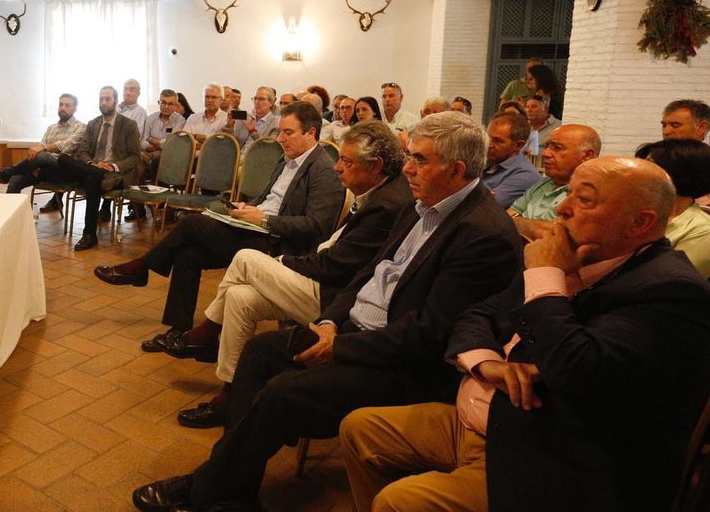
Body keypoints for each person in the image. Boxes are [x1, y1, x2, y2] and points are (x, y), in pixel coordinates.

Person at [130, 112, 522, 511]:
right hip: (353, 331)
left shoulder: (481, 234)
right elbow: (368, 273)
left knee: (281, 393)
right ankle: (234, 487)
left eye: (419, 160)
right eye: (409, 157)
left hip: (400, 365)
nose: (407, 169)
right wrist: (331, 321)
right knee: (260, 352)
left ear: (456, 170)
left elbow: (428, 334)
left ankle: (207, 489)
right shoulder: (422, 204)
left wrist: (339, 348)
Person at [339, 157, 710, 512]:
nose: (562, 208)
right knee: (361, 427)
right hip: (487, 417)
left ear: (640, 223)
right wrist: (487, 365)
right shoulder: (575, 252)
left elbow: (574, 367)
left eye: (584, 200)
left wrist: (546, 274)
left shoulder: (670, 292)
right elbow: (478, 314)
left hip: (554, 454)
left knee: (401, 500)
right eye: (568, 194)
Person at [169, 122, 413, 429]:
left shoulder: (387, 204)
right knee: (239, 296)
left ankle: (205, 332)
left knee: (245, 257)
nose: (338, 167)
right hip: (323, 277)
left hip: (332, 297)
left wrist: (284, 260)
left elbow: (335, 267)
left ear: (376, 166)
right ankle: (229, 394)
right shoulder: (376, 191)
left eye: (347, 162)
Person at [95, 102, 345, 346]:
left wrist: (265, 219)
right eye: (280, 131)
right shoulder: (286, 160)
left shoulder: (323, 169)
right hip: (255, 228)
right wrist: (248, 207)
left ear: (311, 133)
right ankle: (178, 330)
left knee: (190, 224)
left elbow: (316, 226)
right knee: (187, 254)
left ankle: (141, 268)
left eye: (288, 132)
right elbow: (267, 198)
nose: (281, 138)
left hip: (278, 244)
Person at [56, 85, 142, 251]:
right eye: (101, 99)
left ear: (115, 102)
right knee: (68, 162)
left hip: (115, 175)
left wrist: (112, 166)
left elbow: (135, 157)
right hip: (94, 169)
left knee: (79, 172)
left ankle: (89, 234)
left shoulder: (128, 125)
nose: (103, 103)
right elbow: (83, 151)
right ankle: (89, 234)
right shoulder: (93, 124)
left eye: (107, 99)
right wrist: (92, 164)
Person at [0, 93, 85, 204]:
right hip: (42, 170)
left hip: (63, 171)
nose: (63, 108)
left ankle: (4, 174)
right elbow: (40, 147)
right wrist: (34, 164)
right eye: (61, 104)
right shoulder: (51, 128)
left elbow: (67, 146)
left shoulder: (81, 127)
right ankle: (12, 213)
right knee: (16, 179)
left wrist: (43, 149)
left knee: (41, 155)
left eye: (67, 105)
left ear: (75, 109)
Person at [509, 124, 600, 240]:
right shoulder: (543, 184)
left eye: (557, 148)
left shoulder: (591, 194)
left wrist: (518, 221)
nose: (545, 154)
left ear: (587, 155)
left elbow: (561, 237)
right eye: (547, 146)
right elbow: (506, 218)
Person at [636, 139, 710, 277]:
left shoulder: (703, 231)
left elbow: (668, 280)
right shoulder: (637, 213)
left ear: (678, 174)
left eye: (649, 167)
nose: (637, 173)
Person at [130, 90, 187, 221]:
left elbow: (172, 144)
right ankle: (141, 206)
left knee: (155, 162)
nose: (166, 106)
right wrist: (153, 143)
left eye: (170, 104)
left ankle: (155, 203)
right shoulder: (151, 118)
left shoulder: (180, 120)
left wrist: (153, 140)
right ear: (159, 102)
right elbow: (143, 140)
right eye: (164, 103)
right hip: (148, 152)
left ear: (175, 105)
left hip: (168, 156)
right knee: (136, 162)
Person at [480, 111, 541, 208]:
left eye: (498, 141)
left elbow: (484, 207)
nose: (489, 144)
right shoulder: (488, 161)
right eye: (488, 138)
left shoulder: (524, 175)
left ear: (518, 145)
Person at [222, 86, 280, 151]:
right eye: (255, 99)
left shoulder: (275, 125)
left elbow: (268, 149)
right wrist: (229, 126)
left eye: (261, 99)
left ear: (271, 102)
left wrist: (253, 132)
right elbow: (231, 142)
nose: (257, 102)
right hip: (237, 156)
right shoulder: (246, 118)